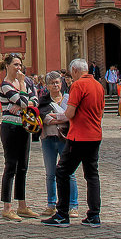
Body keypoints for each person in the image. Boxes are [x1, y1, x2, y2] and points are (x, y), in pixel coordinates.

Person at [42, 58, 104, 227]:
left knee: (62, 171)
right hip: (95, 135)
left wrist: (57, 116)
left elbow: (70, 113)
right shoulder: (98, 85)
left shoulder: (78, 85)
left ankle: (62, 214)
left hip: (79, 136)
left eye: (71, 74)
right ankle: (94, 215)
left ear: (75, 70)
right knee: (92, 175)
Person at [0, 54, 39, 221]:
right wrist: (22, 98)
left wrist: (21, 103)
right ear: (7, 66)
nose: (19, 68)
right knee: (10, 166)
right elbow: (24, 101)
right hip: (10, 128)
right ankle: (7, 207)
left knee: (23, 167)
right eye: (15, 64)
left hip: (24, 127)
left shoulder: (27, 82)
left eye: (20, 64)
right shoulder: (5, 85)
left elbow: (35, 101)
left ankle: (22, 205)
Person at [39, 70, 79, 215]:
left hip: (66, 139)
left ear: (61, 84)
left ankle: (73, 205)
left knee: (70, 173)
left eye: (57, 82)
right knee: (50, 173)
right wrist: (60, 117)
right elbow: (42, 116)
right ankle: (51, 204)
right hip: (48, 139)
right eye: (52, 83)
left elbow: (71, 115)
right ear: (47, 86)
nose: (55, 85)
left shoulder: (68, 98)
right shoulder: (43, 100)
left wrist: (54, 117)